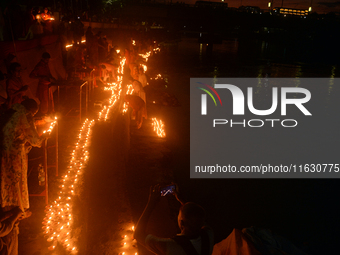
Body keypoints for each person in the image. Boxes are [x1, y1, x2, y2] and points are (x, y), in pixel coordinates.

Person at [0, 98, 45, 255]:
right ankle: (17, 208)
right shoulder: (24, 116)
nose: (33, 115)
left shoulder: (11, 111)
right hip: (13, 155)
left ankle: (6, 203)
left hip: (2, 153)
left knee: (5, 179)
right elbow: (34, 139)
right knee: (16, 180)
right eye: (34, 113)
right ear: (30, 110)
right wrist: (42, 139)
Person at [135, 185, 214, 255]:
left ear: (182, 224)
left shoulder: (172, 246)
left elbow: (138, 235)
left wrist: (151, 203)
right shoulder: (208, 236)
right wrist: (183, 202)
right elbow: (197, 217)